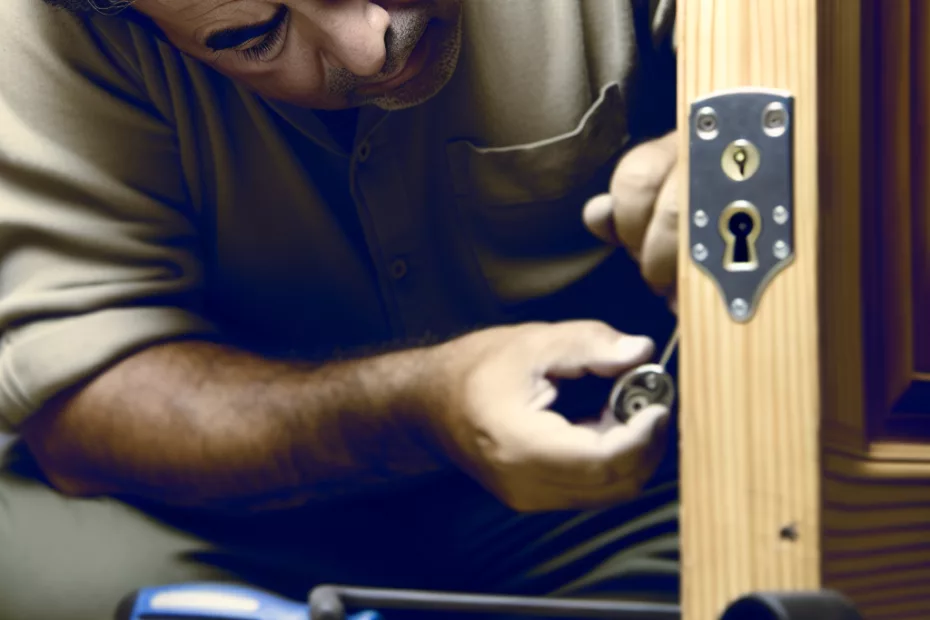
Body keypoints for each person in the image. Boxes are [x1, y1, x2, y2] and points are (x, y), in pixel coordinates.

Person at [0, 0, 681, 618]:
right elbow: (89, 397)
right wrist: (426, 406)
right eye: (253, 38)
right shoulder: (43, 25)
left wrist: (734, 159)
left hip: (623, 479)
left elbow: (745, 93)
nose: (369, 50)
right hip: (254, 510)